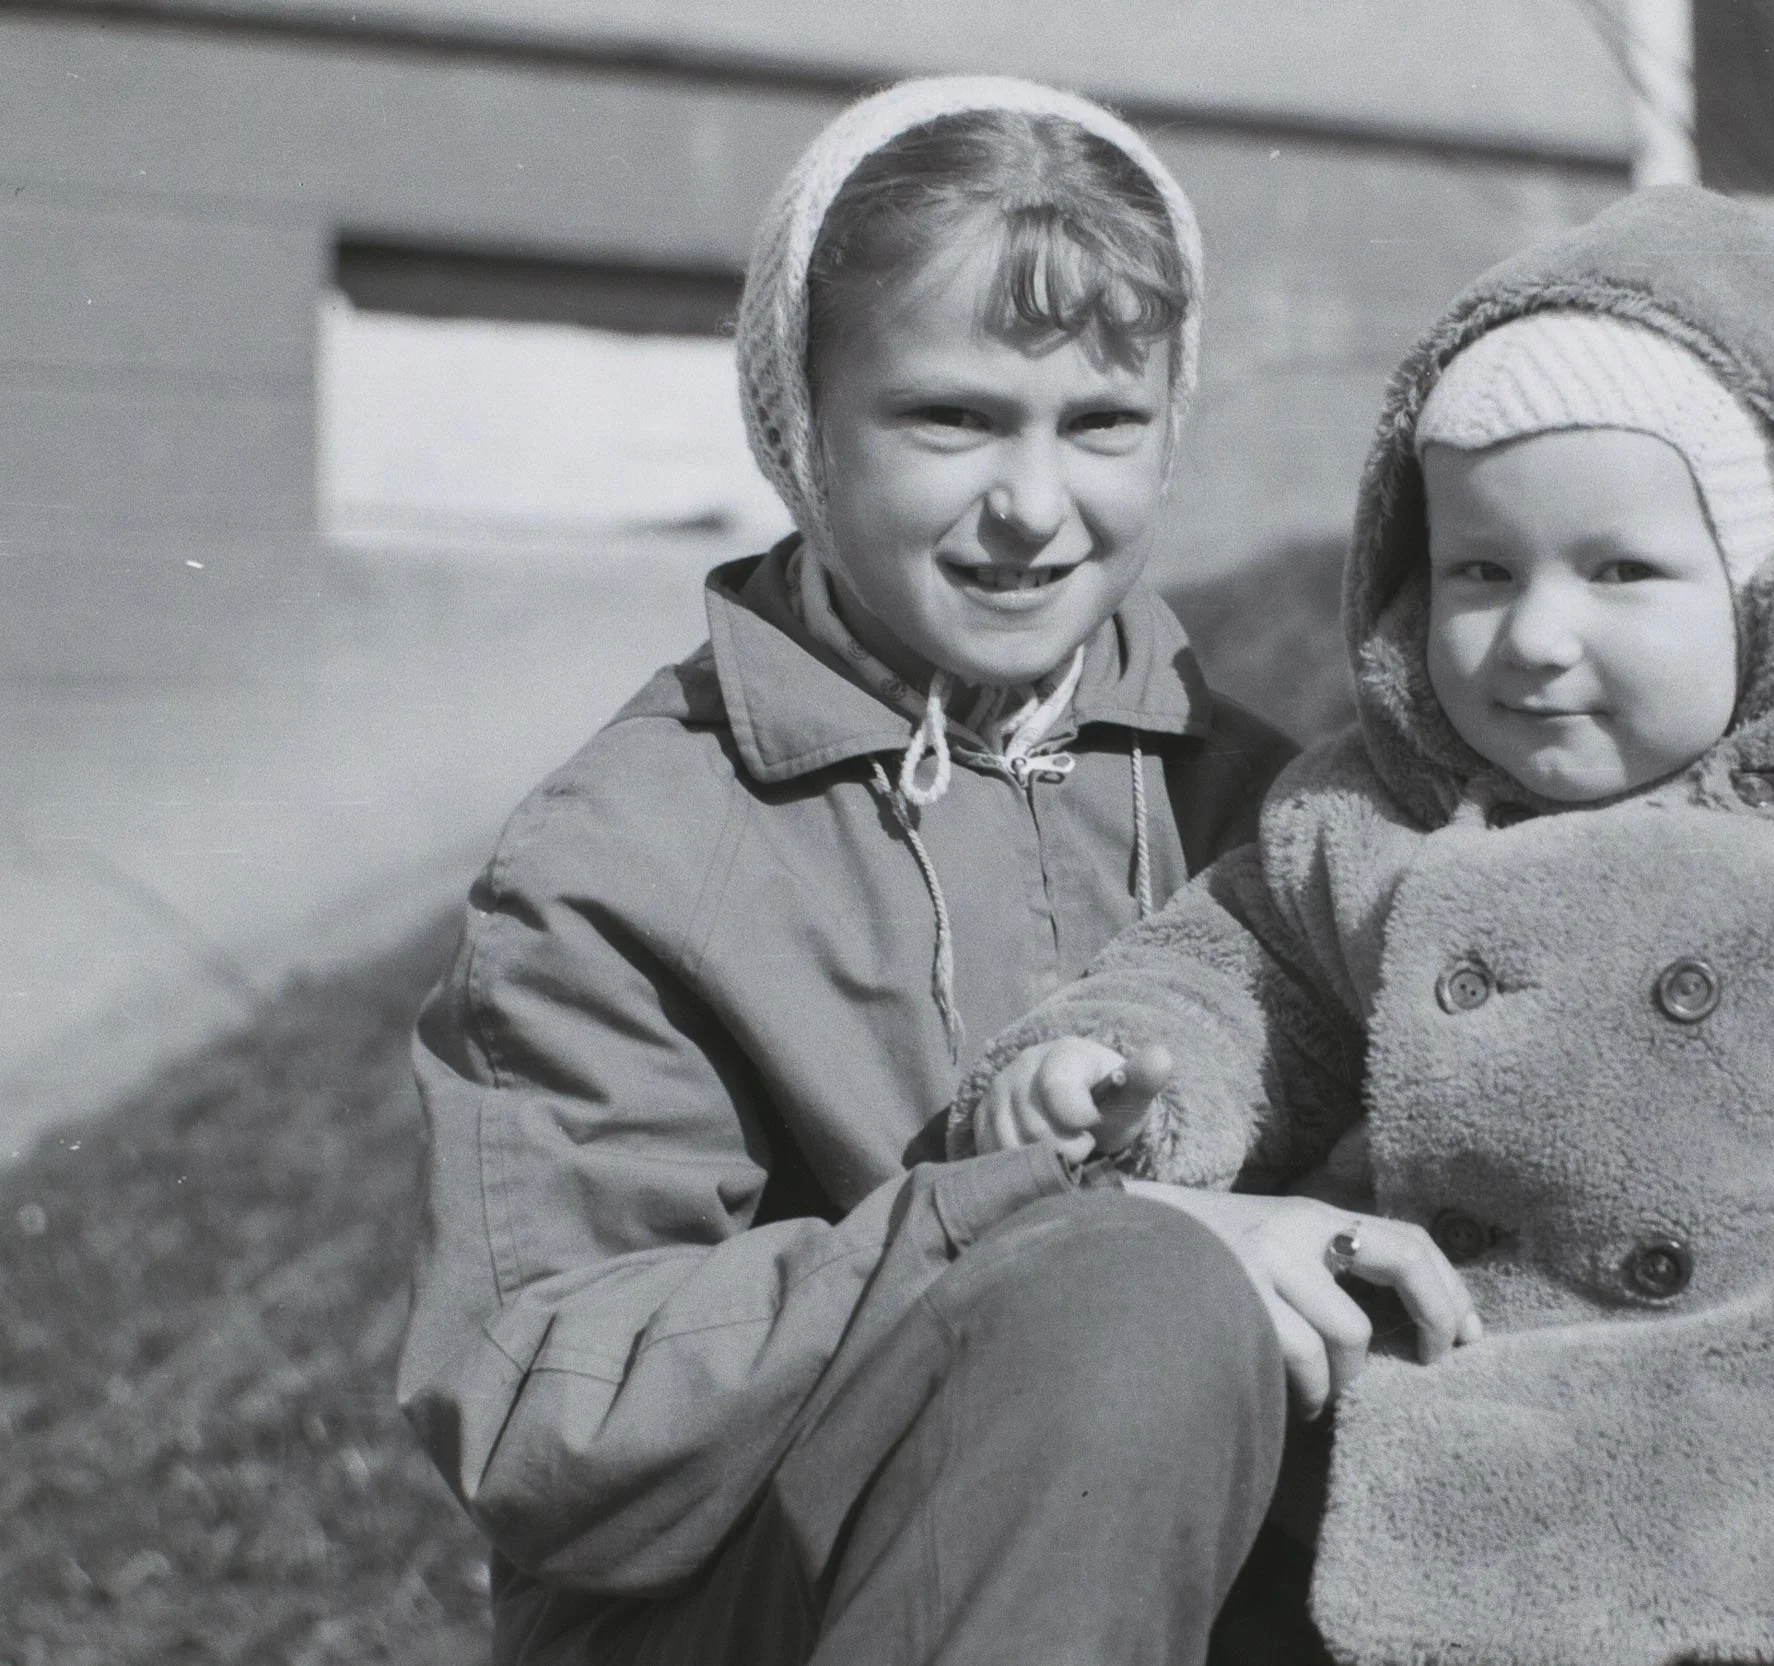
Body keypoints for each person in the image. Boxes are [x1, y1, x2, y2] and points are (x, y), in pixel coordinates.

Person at [959, 185, 1774, 1666]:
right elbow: (1230, 985)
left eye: (1622, 571)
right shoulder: (1358, 825)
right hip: (1443, 1529)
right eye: (1480, 571)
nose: (1535, 637)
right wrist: (1114, 1070)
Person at [395, 77, 1471, 1665]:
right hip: (753, 1617)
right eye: (951, 419)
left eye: (1100, 423)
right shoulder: (626, 850)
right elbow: (546, 1410)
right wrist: (1067, 1234)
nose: (1032, 509)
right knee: (1138, 1300)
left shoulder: (1275, 810)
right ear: (801, 423)